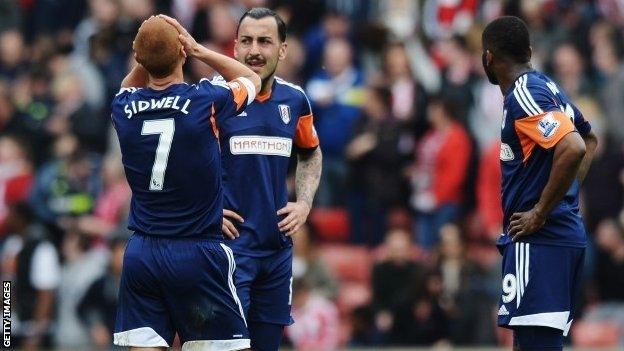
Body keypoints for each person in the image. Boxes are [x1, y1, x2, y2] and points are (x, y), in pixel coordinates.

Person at [110, 15, 260, 351]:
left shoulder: (123, 107)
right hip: (196, 252)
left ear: (138, 58)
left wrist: (145, 52)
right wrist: (198, 50)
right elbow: (251, 79)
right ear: (182, 51)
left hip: (142, 254)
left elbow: (129, 84)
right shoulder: (203, 100)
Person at [481, 16, 598, 351]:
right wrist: (563, 196)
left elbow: (575, 146)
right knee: (529, 342)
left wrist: (542, 211)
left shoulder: (525, 94)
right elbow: (588, 138)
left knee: (535, 344)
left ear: (488, 58)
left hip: (541, 240)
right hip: (555, 238)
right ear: (529, 51)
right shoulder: (546, 87)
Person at [219, 8, 322, 351]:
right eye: (246, 41)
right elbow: (182, 163)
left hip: (277, 251)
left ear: (282, 50)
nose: (254, 50)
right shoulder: (214, 100)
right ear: (234, 48)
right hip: (230, 249)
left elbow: (310, 152)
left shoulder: (295, 100)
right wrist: (206, 210)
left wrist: (305, 202)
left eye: (265, 41)